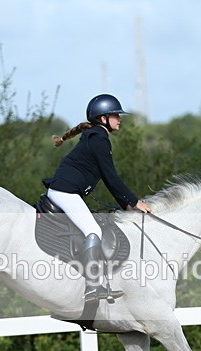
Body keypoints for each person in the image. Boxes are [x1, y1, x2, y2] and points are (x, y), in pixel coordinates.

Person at [43, 94, 151, 302]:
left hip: (66, 191)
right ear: (103, 118)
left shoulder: (95, 136)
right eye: (115, 115)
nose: (120, 119)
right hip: (65, 192)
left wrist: (126, 204)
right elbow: (111, 176)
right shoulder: (99, 138)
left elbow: (107, 177)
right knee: (93, 230)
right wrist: (134, 202)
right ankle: (92, 286)